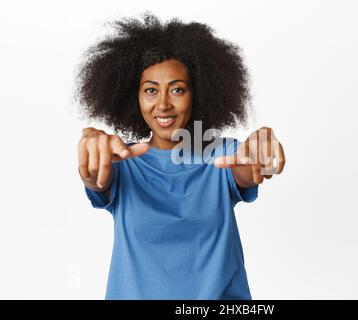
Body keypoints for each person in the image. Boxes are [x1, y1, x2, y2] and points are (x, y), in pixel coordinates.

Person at [75, 12, 286, 300]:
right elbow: (99, 179)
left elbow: (245, 168)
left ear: (196, 95)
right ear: (133, 98)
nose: (163, 104)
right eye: (151, 90)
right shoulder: (121, 162)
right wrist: (91, 168)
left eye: (177, 90)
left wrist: (258, 155)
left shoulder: (221, 156)